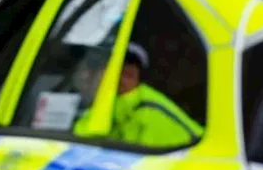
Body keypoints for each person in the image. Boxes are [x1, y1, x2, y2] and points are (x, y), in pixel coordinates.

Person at [73, 42, 203, 148]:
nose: (120, 78)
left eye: (128, 73)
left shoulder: (149, 110)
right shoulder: (107, 106)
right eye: (117, 69)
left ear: (138, 79)